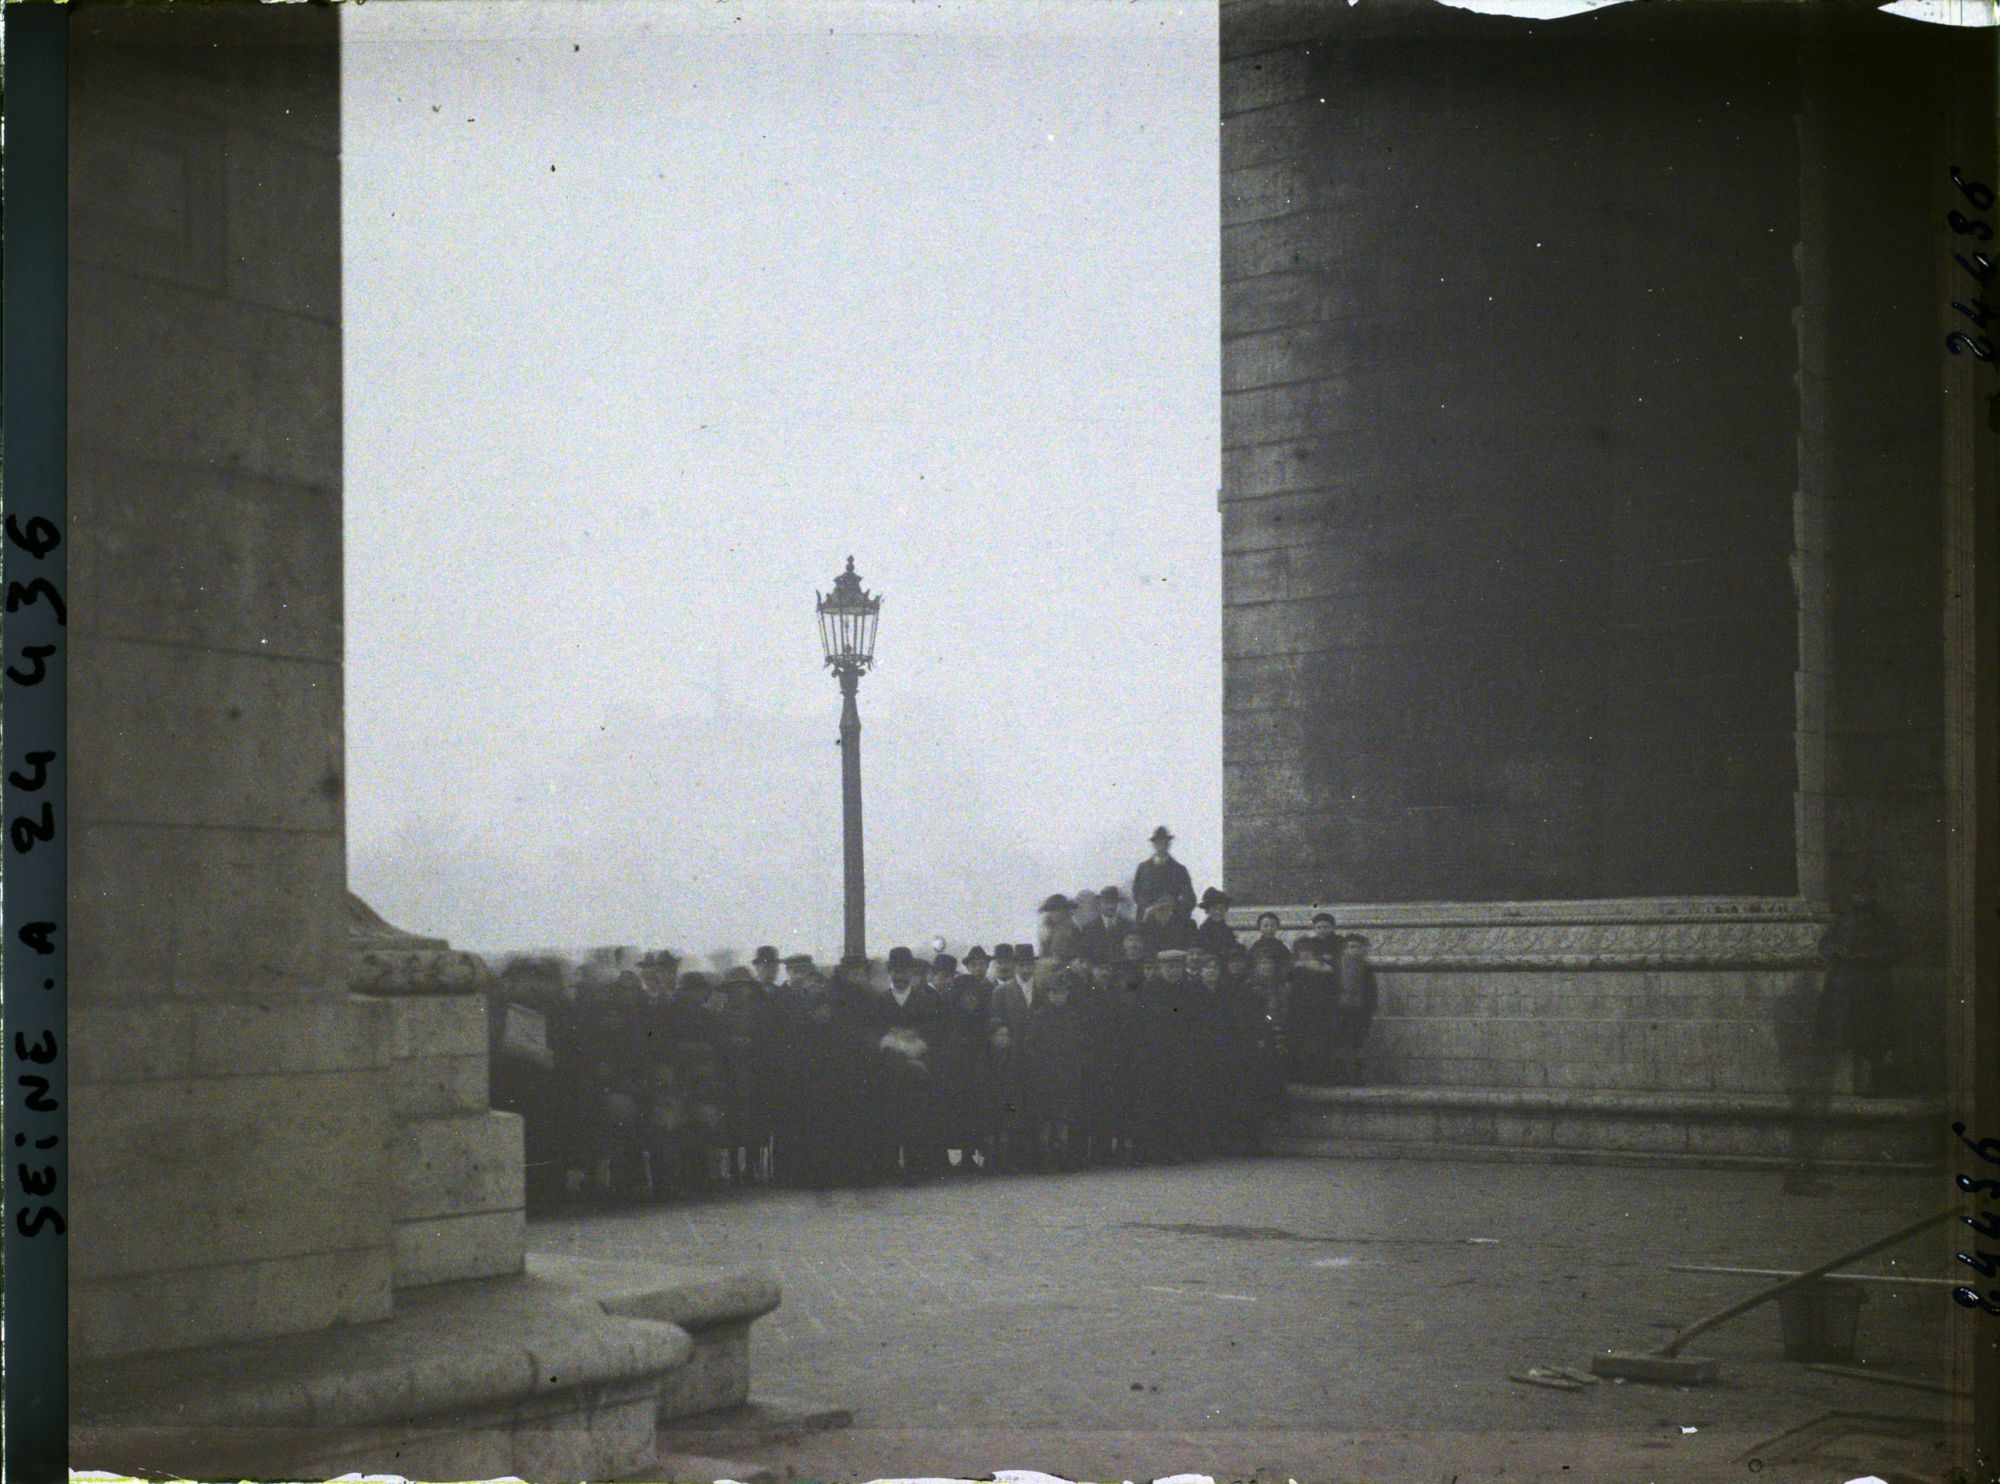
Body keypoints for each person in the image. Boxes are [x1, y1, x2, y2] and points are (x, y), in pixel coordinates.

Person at [1818, 888, 1903, 1096]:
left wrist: (1868, 956)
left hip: (1873, 987)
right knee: (1847, 1034)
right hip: (1846, 989)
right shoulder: (1843, 922)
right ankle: (1853, 1084)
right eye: (1857, 895)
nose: (1861, 899)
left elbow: (1895, 950)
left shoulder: (1884, 923)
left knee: (1874, 1035)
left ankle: (1875, 1083)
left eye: (1865, 895)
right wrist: (1836, 951)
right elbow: (1825, 944)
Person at [987, 944, 1038, 1170]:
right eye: (1022, 965)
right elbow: (996, 1025)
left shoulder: (1041, 990)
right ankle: (1007, 1157)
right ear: (1015, 966)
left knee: (1031, 1104)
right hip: (1011, 1058)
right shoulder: (1002, 991)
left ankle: (1028, 1156)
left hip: (1035, 1058)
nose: (1026, 969)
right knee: (1010, 1106)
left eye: (1029, 965)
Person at [1330, 934, 1379, 1085]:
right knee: (1340, 1043)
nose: (1354, 950)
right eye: (1351, 947)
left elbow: (1371, 989)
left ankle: (1356, 1076)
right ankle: (1340, 1075)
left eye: (1358, 947)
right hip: (1340, 1009)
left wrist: (1369, 1008)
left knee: (1357, 1043)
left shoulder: (1366, 967)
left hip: (1359, 1010)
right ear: (1344, 949)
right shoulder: (1337, 967)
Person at [1133, 826, 1195, 922]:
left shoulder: (1179, 870)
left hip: (1172, 922)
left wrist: (1174, 909)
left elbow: (1190, 898)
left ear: (1169, 844)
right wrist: (1149, 908)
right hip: (1148, 922)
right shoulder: (1143, 869)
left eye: (1165, 842)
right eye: (1159, 842)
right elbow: (1136, 894)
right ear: (1154, 844)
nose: (1162, 845)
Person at [1037, 894, 1081, 981]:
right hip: (1049, 973)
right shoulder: (1048, 931)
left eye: (1057, 910)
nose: (1053, 913)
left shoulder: (1072, 929)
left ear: (1065, 910)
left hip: (1067, 973)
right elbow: (1044, 955)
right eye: (1051, 910)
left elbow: (1075, 956)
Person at [1194, 887, 1239, 959]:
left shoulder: (1228, 931)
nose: (1217, 912)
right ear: (1207, 911)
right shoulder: (1203, 931)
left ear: (1225, 910)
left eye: (1221, 909)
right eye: (1214, 909)